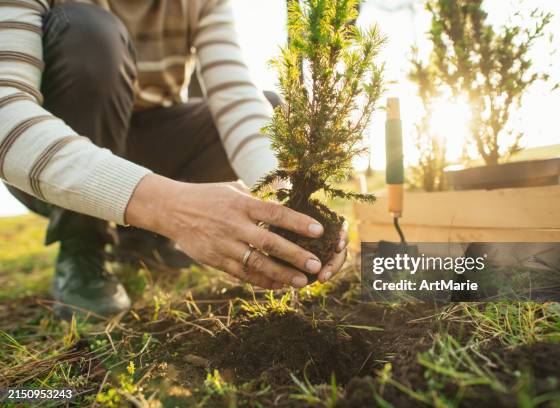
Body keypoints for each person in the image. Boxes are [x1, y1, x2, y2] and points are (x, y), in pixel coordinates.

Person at [0, 0, 347, 319]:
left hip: (153, 140)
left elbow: (235, 97)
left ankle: (141, 239)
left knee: (266, 107)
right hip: (61, 143)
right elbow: (5, 112)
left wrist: (283, 203)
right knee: (89, 35)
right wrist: (172, 208)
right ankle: (84, 243)